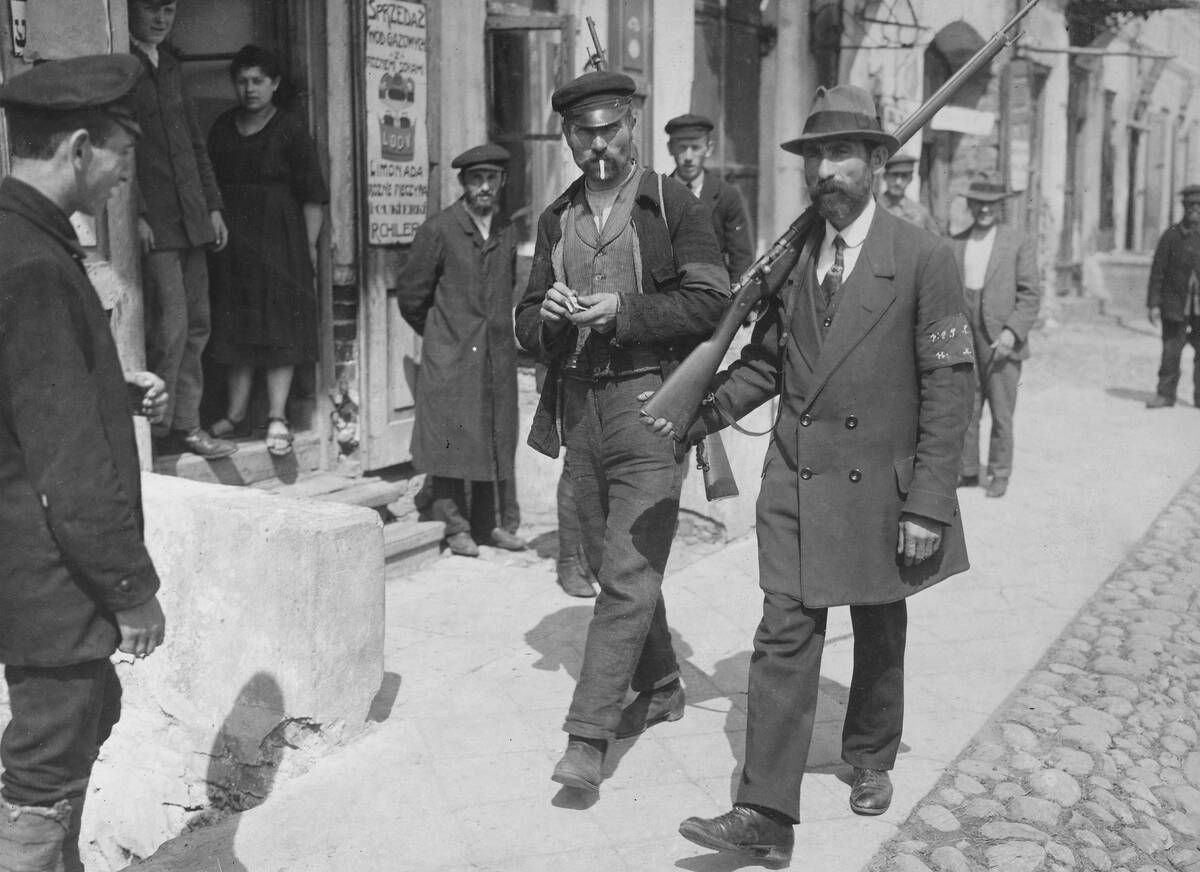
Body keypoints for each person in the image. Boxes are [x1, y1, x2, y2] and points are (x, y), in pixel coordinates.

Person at [643, 84, 974, 863]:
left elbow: (950, 393)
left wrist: (928, 503)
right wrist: (699, 413)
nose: (826, 170)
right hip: (797, 479)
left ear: (877, 162)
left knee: (879, 624)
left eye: (842, 155)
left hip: (883, 486)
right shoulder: (793, 263)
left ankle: (870, 754)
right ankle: (764, 812)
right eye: (815, 157)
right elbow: (768, 362)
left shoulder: (923, 258)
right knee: (783, 634)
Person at [513, 70, 730, 792]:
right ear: (567, 136)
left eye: (610, 129)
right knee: (617, 564)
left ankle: (587, 735)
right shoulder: (554, 219)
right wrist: (545, 316)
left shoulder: (673, 204)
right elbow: (520, 324)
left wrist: (624, 312)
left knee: (629, 575)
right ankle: (663, 685)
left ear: (632, 124)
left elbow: (710, 303)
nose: (597, 144)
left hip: (651, 407)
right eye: (583, 133)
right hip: (580, 410)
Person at [0, 54, 168, 872]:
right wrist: (132, 591)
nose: (117, 182)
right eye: (117, 161)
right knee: (44, 772)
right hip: (51, 573)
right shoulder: (35, 264)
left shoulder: (16, 240)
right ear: (76, 149)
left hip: (24, 559)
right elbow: (70, 473)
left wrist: (111, 389)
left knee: (79, 726)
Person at [396, 144, 527, 558]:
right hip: (452, 354)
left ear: (501, 183)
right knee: (451, 439)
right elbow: (411, 297)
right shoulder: (439, 229)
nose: (484, 187)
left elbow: (507, 287)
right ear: (463, 185)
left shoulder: (506, 232)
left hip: (495, 355)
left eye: (491, 179)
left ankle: (491, 526)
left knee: (493, 435)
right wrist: (443, 334)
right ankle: (455, 527)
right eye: (475, 180)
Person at [205, 44, 329, 456]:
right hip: (233, 243)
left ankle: (277, 417)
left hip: (282, 242)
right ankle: (236, 413)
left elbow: (313, 195)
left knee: (280, 324)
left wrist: (307, 248)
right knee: (235, 324)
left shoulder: (291, 130)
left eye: (258, 80)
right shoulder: (223, 128)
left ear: (274, 84)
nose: (249, 89)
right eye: (242, 81)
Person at [129, 0, 237, 459]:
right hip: (156, 222)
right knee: (168, 326)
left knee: (197, 324)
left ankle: (187, 424)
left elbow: (194, 142)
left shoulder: (170, 67)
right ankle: (154, 430)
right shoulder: (125, 67)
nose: (160, 19)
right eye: (151, 9)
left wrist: (212, 205)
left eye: (169, 10)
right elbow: (120, 144)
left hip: (191, 218)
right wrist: (133, 213)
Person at [953, 172, 1041, 498]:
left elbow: (1030, 295)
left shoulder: (1018, 242)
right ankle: (967, 469)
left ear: (1000, 207)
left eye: (991, 205)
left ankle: (1000, 473)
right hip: (967, 333)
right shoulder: (956, 241)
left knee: (1002, 411)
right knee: (967, 405)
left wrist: (1011, 332)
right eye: (979, 204)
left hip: (1001, 338)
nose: (984, 210)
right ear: (971, 205)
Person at [664, 113, 755, 281]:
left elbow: (741, 257)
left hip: (715, 290)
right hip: (671, 292)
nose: (689, 157)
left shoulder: (726, 195)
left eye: (696, 147)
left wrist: (734, 300)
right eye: (682, 148)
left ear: (709, 149)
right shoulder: (660, 192)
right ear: (671, 148)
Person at [1145, 184, 1200, 410]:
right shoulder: (1171, 236)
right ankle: (1165, 395)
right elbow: (1157, 271)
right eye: (1190, 206)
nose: (1194, 210)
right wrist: (1153, 305)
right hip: (1174, 306)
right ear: (1183, 208)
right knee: (1171, 350)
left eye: (1198, 206)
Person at [877, 152, 941, 235]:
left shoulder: (921, 213)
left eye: (904, 176)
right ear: (885, 176)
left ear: (910, 179)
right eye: (894, 175)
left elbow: (937, 243)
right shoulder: (873, 208)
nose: (898, 182)